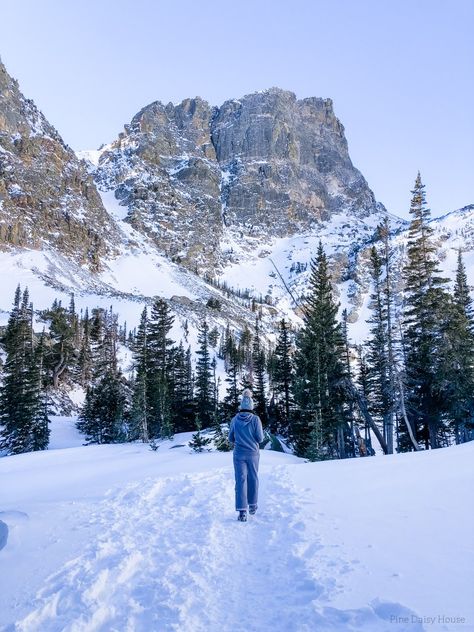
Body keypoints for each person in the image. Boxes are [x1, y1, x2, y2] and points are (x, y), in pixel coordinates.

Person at [228, 389, 264, 522]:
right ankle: (253, 505)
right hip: (253, 454)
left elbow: (231, 438)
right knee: (253, 478)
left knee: (240, 480)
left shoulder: (234, 419)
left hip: (238, 454)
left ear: (241, 406)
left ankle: (242, 511)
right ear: (251, 406)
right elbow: (260, 438)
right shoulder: (256, 419)